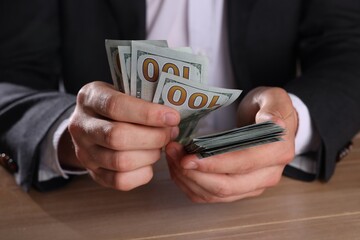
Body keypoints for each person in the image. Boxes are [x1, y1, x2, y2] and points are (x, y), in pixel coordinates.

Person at [0, 0, 359, 203]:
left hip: (277, 204)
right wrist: (71, 136)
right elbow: (13, 76)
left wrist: (291, 118)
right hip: (104, 205)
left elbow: (348, 51)